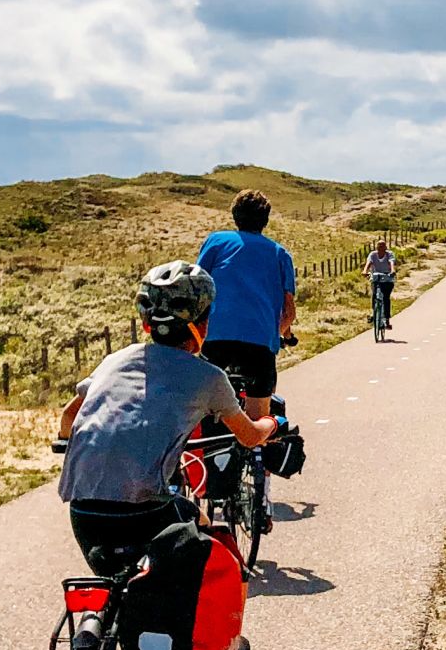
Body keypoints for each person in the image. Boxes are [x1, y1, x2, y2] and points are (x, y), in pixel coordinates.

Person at [59, 261, 281, 576]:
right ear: (203, 325)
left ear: (147, 324)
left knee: (117, 588)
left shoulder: (115, 360)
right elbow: (248, 435)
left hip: (83, 511)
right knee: (203, 543)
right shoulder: (209, 378)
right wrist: (271, 425)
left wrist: (72, 441)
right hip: (144, 513)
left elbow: (70, 417)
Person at [195, 189, 299, 419]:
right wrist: (276, 335)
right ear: (265, 219)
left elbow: (197, 288)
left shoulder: (216, 242)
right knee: (259, 420)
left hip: (215, 341)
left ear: (235, 215)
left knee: (205, 411)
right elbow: (289, 313)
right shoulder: (280, 254)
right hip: (259, 345)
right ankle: (256, 448)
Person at [366, 238, 396, 336]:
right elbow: (369, 263)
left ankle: (386, 319)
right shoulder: (373, 254)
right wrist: (365, 271)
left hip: (387, 277)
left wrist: (392, 271)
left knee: (386, 297)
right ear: (376, 247)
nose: (381, 248)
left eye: (383, 246)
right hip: (376, 277)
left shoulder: (389, 254)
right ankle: (374, 313)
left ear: (386, 247)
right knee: (375, 295)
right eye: (379, 246)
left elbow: (391, 263)